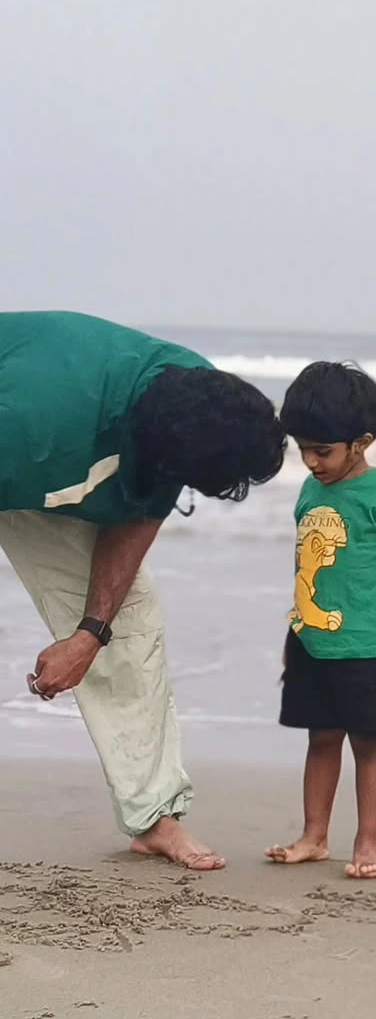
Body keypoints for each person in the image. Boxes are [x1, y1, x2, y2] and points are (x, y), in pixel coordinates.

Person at [0, 311, 286, 869]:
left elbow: (141, 512)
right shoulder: (32, 420)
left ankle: (154, 817)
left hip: (56, 464)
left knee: (128, 626)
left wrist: (90, 633)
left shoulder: (196, 393)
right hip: (28, 439)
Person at [265, 361, 376, 880]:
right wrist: (294, 634)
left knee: (368, 743)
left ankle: (369, 842)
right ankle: (314, 836)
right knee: (320, 738)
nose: (310, 462)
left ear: (361, 441)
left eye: (323, 451)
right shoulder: (311, 490)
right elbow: (306, 569)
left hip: (370, 645)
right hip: (313, 642)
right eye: (302, 449)